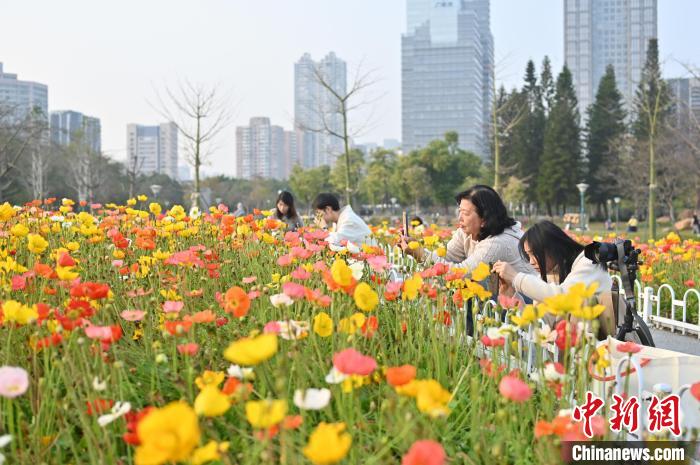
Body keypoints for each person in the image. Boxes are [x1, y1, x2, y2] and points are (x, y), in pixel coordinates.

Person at [402, 185, 534, 278]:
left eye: (465, 213)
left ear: (484, 219)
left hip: (524, 306)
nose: (459, 218)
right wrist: (416, 250)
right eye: (459, 211)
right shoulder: (466, 232)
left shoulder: (498, 243)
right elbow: (445, 257)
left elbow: (461, 273)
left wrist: (420, 253)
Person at [492, 220, 611, 304]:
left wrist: (515, 277)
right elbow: (541, 322)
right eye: (528, 255)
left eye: (534, 253)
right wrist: (512, 296)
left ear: (553, 247)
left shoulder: (588, 261)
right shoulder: (553, 271)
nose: (531, 262)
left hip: (610, 337)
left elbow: (561, 297)